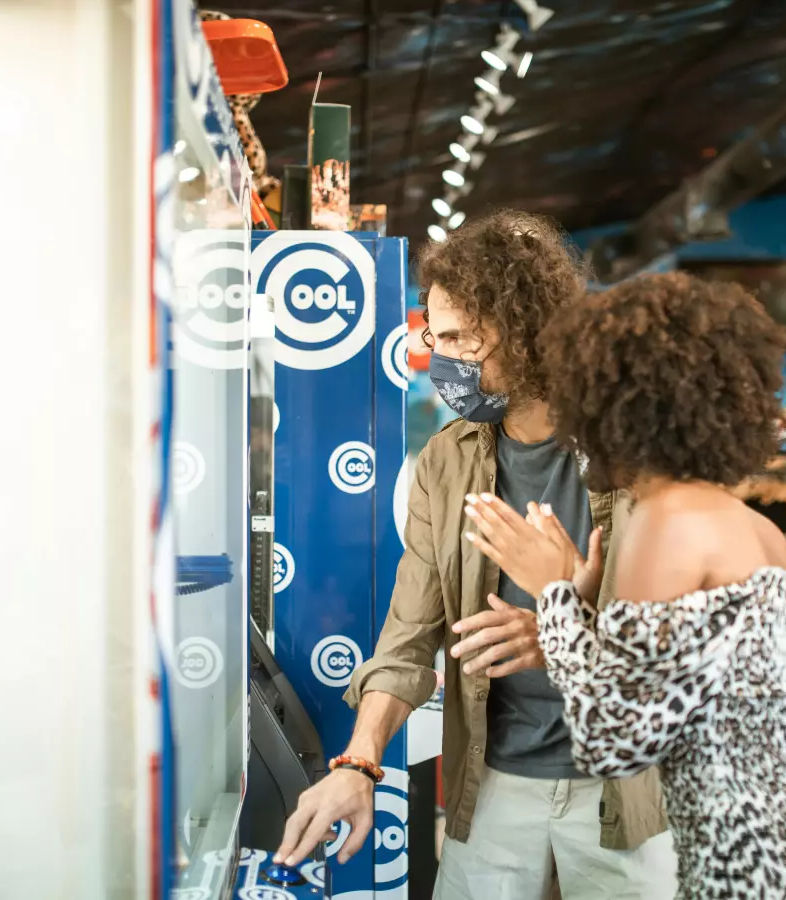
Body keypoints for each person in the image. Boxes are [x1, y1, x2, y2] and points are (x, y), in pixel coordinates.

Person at [276, 210, 676, 899]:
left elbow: (685, 636)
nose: (443, 359)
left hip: (626, 791)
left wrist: (561, 631)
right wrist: (360, 763)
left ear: (527, 331)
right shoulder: (445, 461)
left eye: (463, 338)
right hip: (493, 784)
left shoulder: (637, 453)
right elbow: (407, 642)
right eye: (437, 336)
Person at [463, 272, 786, 898]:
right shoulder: (756, 528)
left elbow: (611, 741)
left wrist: (555, 598)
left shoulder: (666, 523)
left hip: (751, 872)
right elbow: (682, 695)